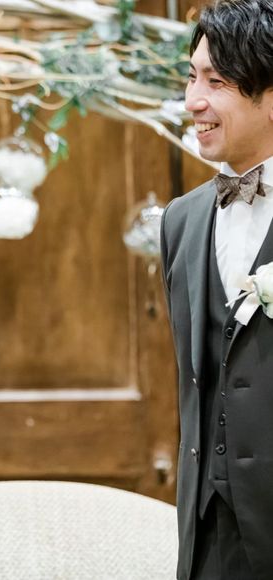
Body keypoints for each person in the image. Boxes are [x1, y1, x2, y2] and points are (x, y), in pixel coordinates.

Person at [161, 1, 273, 578]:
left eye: (217, 82)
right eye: (191, 77)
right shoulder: (179, 221)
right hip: (210, 537)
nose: (193, 101)